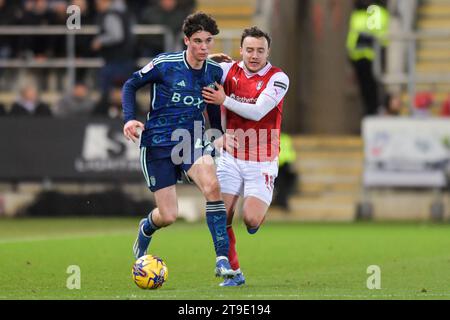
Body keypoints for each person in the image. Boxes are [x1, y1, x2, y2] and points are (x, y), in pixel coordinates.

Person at [122, 12, 238, 280]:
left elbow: (210, 105)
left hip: (191, 139)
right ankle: (147, 227)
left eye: (208, 41)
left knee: (212, 186)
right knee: (169, 215)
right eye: (198, 41)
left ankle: (222, 259)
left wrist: (217, 134)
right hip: (158, 143)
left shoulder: (212, 71)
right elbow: (130, 84)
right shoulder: (165, 64)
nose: (204, 47)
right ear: (186, 40)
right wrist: (129, 119)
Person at [202, 26, 290, 286]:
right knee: (221, 214)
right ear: (240, 50)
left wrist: (224, 100)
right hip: (231, 157)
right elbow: (200, 69)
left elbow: (258, 111)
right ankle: (234, 272)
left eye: (260, 50)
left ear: (268, 52)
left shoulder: (278, 78)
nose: (254, 55)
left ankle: (258, 210)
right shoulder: (229, 70)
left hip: (262, 160)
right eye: (249, 49)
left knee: (250, 219)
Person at [346, 0, 389, 116]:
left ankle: (375, 111)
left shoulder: (378, 12)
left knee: (373, 89)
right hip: (358, 58)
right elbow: (352, 36)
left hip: (373, 59)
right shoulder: (357, 14)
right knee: (364, 90)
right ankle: (369, 112)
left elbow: (381, 36)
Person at [92, 0, 135, 115]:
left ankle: (106, 118)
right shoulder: (123, 11)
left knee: (109, 93)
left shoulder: (111, 14)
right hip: (125, 58)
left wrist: (99, 41)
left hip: (115, 61)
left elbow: (117, 36)